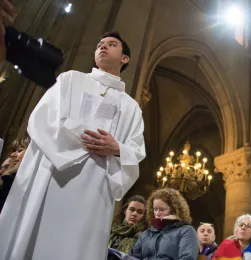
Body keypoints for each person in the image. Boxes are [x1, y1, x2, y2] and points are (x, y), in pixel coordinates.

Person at [0, 31, 146, 260]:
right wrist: (83, 139)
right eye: (99, 44)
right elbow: (43, 118)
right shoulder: (70, 79)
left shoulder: (131, 107)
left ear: (124, 58)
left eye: (112, 44)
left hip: (96, 184)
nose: (103, 47)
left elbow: (135, 150)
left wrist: (116, 147)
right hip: (54, 173)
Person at [128, 188, 199, 260]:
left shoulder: (187, 231)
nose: (157, 213)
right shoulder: (145, 234)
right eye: (155, 209)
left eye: (162, 210)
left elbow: (188, 258)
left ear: (174, 210)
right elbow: (131, 258)